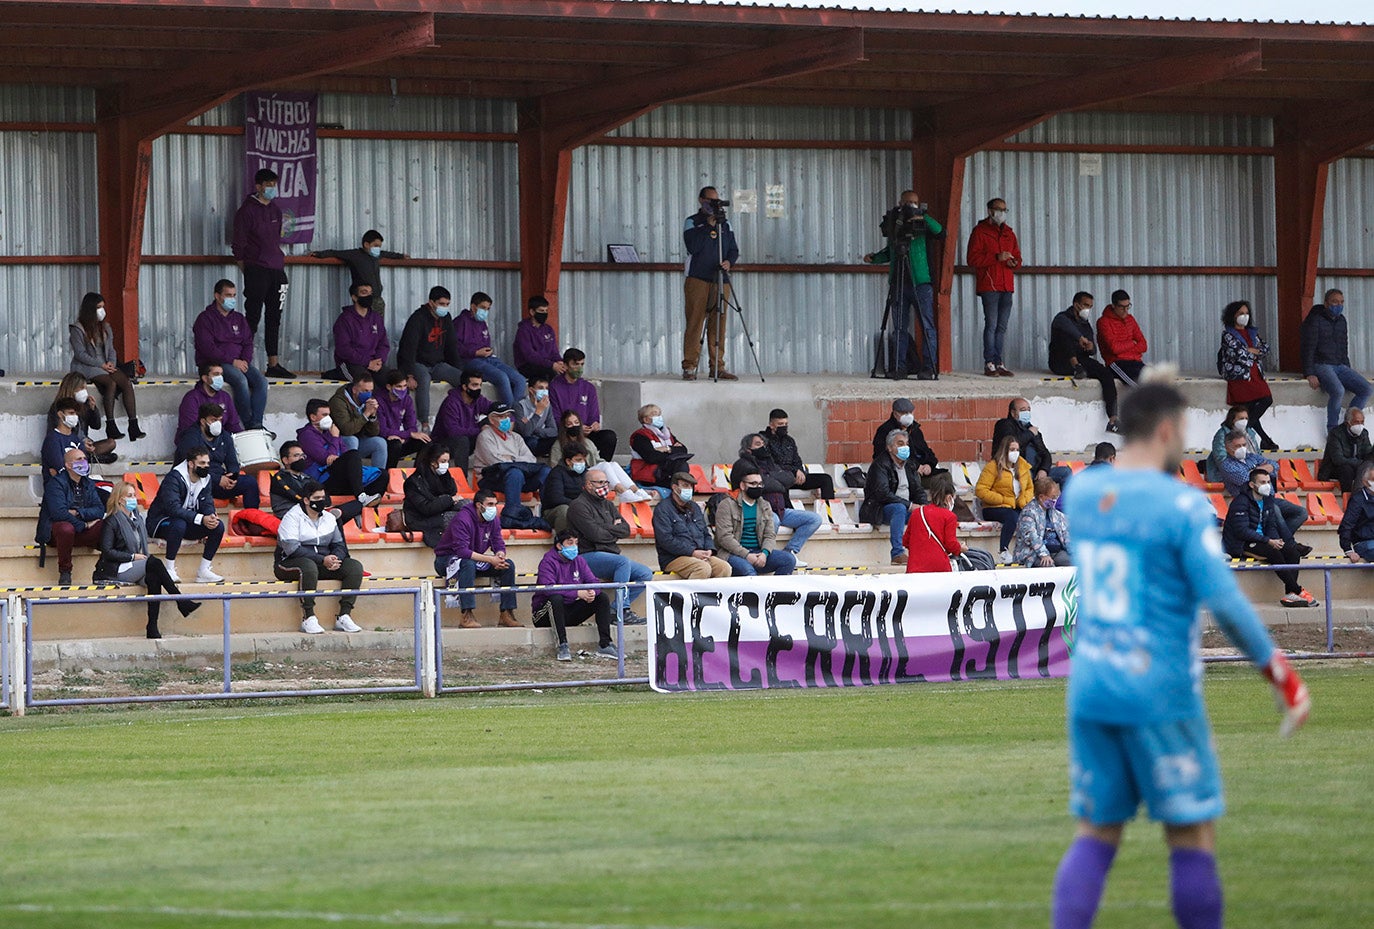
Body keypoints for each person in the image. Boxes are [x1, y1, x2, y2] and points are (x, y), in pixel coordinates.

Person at [1051, 378, 1310, 929]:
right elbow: (1225, 602)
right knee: (1190, 832)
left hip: (1094, 684)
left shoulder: (1082, 494)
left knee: (1097, 832)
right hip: (1159, 687)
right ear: (1167, 430)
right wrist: (1281, 674)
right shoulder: (1182, 507)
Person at [95, 480, 200, 638]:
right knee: (154, 562)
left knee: (154, 577)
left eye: (134, 495)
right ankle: (181, 601)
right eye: (129, 496)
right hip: (116, 568)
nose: (133, 499)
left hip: (134, 565)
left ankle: (152, 627)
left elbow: (141, 542)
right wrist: (132, 556)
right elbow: (107, 551)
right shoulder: (111, 522)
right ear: (120, 499)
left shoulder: (137, 520)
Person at [862, 190, 945, 379]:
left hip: (921, 282)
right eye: (907, 202)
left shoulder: (922, 223)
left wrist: (921, 215)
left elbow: (941, 231)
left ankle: (928, 367)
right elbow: (892, 250)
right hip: (899, 282)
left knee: (927, 326)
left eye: (914, 202)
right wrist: (874, 258)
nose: (910, 206)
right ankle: (899, 367)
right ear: (900, 202)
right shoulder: (896, 223)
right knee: (899, 327)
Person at [274, 481, 365, 635]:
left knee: (354, 567)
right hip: (287, 564)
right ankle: (308, 617)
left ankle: (344, 615)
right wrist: (322, 560)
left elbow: (339, 544)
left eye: (323, 497)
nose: (321, 501)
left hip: (322, 563)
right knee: (308, 566)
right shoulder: (292, 517)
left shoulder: (329, 518)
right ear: (306, 500)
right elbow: (292, 549)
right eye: (317, 498)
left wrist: (335, 559)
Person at [1222, 467, 1317, 608]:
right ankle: (1297, 589)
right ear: (1252, 485)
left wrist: (1275, 540)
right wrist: (1268, 541)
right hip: (1242, 543)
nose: (1266, 485)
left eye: (1268, 481)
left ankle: (1290, 595)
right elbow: (1241, 531)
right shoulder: (1240, 502)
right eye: (1262, 482)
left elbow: (1271, 525)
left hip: (1264, 540)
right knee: (1273, 552)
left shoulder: (1268, 501)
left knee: (1292, 551)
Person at [566, 469, 653, 623]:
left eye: (606, 482)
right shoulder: (578, 506)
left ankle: (614, 608)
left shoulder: (608, 504)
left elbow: (625, 530)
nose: (605, 485)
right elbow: (595, 535)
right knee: (622, 562)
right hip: (586, 556)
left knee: (645, 574)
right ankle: (622, 609)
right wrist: (612, 528)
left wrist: (604, 527)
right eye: (600, 482)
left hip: (610, 554)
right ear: (588, 485)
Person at [232, 167, 294, 378]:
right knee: (253, 316)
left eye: (274, 185)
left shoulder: (276, 210)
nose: (271, 189)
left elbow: (276, 239)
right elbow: (238, 244)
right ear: (258, 187)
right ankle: (243, 361)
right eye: (267, 185)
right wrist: (247, 268)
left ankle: (273, 364)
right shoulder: (246, 211)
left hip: (277, 270)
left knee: (274, 317)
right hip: (257, 269)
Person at [433, 489, 521, 630]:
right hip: (446, 559)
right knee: (467, 564)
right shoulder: (463, 519)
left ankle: (507, 613)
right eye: (490, 504)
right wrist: (490, 560)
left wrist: (499, 554)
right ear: (479, 505)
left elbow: (498, 542)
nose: (494, 508)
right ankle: (466, 614)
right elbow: (462, 551)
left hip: (473, 559)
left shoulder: (493, 520)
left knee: (508, 565)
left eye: (495, 504)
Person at [734, 433, 822, 566]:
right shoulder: (743, 464)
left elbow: (790, 479)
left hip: (781, 510)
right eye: (758, 444)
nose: (763, 447)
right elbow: (764, 483)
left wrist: (771, 478)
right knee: (772, 521)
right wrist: (777, 481)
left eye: (763, 444)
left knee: (814, 519)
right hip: (761, 510)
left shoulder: (771, 462)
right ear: (748, 449)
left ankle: (790, 551)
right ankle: (765, 554)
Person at [192, 279, 268, 430]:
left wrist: (245, 360)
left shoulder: (239, 318)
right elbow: (208, 348)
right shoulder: (205, 319)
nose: (231, 299)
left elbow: (248, 342)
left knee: (261, 382)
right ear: (217, 296)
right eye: (228, 295)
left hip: (240, 362)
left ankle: (257, 423)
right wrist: (232, 361)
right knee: (240, 381)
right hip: (216, 363)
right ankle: (249, 423)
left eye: (234, 295)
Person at [531, 529, 617, 661]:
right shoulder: (547, 561)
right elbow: (549, 589)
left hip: (569, 611)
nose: (574, 547)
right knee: (555, 598)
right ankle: (562, 645)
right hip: (543, 615)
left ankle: (605, 644)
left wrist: (592, 592)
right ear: (559, 546)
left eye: (576, 543)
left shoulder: (579, 561)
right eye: (570, 543)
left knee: (602, 598)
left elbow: (593, 581)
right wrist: (576, 593)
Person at [681, 185, 739, 380]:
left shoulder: (726, 224)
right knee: (695, 323)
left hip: (720, 279)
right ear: (701, 200)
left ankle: (717, 366)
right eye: (710, 201)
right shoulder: (692, 222)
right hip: (698, 278)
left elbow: (733, 249)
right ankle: (689, 366)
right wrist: (708, 225)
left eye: (716, 201)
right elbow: (693, 247)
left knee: (719, 323)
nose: (713, 205)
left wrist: (729, 262)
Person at [69, 291, 142, 441]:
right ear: (90, 309)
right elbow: (80, 354)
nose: (102, 311)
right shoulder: (78, 329)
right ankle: (110, 424)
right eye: (98, 307)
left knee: (126, 383)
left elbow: (111, 349)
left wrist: (111, 364)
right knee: (111, 382)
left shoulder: (106, 327)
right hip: (87, 365)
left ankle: (133, 424)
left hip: (105, 364)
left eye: (103, 307)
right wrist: (101, 365)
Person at [146, 448, 226, 584]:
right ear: (191, 464)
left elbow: (207, 501)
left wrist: (210, 515)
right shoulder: (174, 478)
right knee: (179, 524)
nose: (206, 466)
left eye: (207, 463)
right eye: (201, 463)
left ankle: (204, 571)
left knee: (218, 526)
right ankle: (170, 569)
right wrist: (201, 518)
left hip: (186, 522)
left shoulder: (206, 479)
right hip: (160, 522)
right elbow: (173, 509)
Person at [1301, 288, 1370, 432]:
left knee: (1366, 389)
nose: (1338, 305)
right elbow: (1308, 346)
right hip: (1321, 364)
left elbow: (1343, 345)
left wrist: (1347, 367)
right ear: (1326, 303)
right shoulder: (1315, 319)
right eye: (1334, 302)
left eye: (1341, 302)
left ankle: (1349, 423)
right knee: (1338, 390)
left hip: (1339, 365)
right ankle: (1333, 430)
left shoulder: (1342, 320)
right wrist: (1309, 372)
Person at [1049, 291, 1119, 433]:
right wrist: (1079, 337)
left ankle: (1113, 419)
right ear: (1076, 305)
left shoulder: (1085, 324)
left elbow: (1093, 351)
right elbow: (1066, 327)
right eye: (1085, 305)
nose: (1088, 309)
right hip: (1061, 362)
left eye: (1090, 306)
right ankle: (1076, 367)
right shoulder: (1062, 318)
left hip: (1082, 361)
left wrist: (1090, 347)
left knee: (1106, 375)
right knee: (1064, 334)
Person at [966, 196, 1021, 377]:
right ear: (990, 211)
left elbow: (1018, 258)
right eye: (999, 209)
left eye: (1005, 210)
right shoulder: (980, 232)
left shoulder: (1009, 233)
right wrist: (996, 258)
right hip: (989, 284)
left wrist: (1014, 263)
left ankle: (999, 362)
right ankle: (989, 362)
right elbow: (972, 259)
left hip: (1006, 285)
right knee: (991, 325)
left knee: (1002, 327)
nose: (1002, 213)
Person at [397, 286, 465, 429]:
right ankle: (424, 422)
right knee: (424, 379)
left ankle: (461, 415)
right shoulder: (418, 318)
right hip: (418, 363)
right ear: (431, 302)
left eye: (447, 304)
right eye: (441, 304)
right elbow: (408, 348)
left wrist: (458, 368)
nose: (445, 308)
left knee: (463, 379)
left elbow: (452, 347)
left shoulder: (446, 318)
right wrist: (408, 374)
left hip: (438, 364)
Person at [295, 399, 387, 505]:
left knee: (382, 474)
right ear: (313, 417)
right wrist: (335, 437)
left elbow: (343, 451)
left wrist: (337, 453)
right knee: (353, 454)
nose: (328, 418)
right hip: (323, 480)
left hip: (338, 475)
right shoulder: (307, 435)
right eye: (324, 415)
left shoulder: (329, 431)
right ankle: (361, 497)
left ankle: (369, 510)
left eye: (329, 414)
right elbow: (325, 459)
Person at [1215, 431, 1306, 537]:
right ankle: (1286, 544)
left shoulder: (1252, 457)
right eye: (1238, 446)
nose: (1242, 448)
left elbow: (1274, 465)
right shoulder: (1227, 465)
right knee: (1275, 512)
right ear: (1227, 447)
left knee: (1301, 513)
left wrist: (1256, 470)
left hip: (1270, 498)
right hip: (1250, 503)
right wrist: (1262, 470)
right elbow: (1247, 479)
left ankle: (1282, 542)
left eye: (1244, 445)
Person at [471, 402, 550, 525]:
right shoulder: (485, 436)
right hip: (491, 479)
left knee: (546, 471)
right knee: (515, 472)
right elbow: (496, 463)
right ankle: (512, 516)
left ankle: (547, 514)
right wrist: (518, 460)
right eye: (501, 416)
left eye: (507, 416)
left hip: (519, 478)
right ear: (491, 420)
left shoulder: (516, 437)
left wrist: (510, 458)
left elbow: (531, 459)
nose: (506, 419)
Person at [860, 429, 929, 564]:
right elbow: (883, 494)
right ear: (890, 448)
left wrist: (924, 506)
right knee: (899, 508)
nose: (905, 447)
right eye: (900, 443)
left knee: (924, 513)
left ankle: (922, 553)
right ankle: (897, 553)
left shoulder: (910, 465)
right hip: (879, 509)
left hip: (905, 509)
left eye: (906, 444)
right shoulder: (880, 465)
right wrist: (909, 505)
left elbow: (918, 490)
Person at [175, 403, 260, 510]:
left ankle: (251, 521)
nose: (217, 424)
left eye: (219, 420)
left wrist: (232, 478)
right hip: (195, 482)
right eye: (213, 420)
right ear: (202, 421)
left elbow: (233, 463)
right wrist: (217, 479)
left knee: (250, 482)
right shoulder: (190, 438)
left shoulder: (225, 436)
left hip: (220, 481)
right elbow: (190, 468)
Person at [714, 465, 796, 577]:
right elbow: (724, 538)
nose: (757, 487)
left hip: (759, 552)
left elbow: (770, 535)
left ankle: (776, 593)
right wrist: (747, 555)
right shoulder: (727, 505)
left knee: (788, 560)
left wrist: (764, 554)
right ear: (742, 485)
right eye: (753, 484)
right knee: (748, 571)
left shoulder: (765, 505)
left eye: (760, 484)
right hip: (733, 554)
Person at [39, 448, 105, 587]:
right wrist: (83, 525)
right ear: (68, 465)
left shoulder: (88, 483)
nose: (83, 462)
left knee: (109, 524)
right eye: (78, 459)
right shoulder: (56, 483)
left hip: (81, 532)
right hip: (59, 534)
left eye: (84, 459)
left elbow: (99, 510)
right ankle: (65, 572)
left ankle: (105, 568)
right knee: (65, 528)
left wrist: (78, 512)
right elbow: (59, 513)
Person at [550, 409, 647, 502]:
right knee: (605, 465)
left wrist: (607, 468)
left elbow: (598, 460)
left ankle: (636, 490)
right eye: (569, 424)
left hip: (589, 471)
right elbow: (555, 467)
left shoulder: (587, 442)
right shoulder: (558, 445)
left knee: (612, 464)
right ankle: (623, 492)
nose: (574, 426)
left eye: (576, 422)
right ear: (564, 427)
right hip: (572, 475)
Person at [1218, 299, 1277, 450]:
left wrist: (1251, 351)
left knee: (1260, 403)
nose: (1244, 316)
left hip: (1255, 374)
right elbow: (1237, 353)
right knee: (1254, 406)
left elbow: (1265, 349)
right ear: (1233, 316)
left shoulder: (1252, 333)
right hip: (1240, 377)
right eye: (1240, 313)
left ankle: (1241, 432)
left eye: (1246, 313)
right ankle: (1262, 438)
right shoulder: (1228, 334)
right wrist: (1252, 351)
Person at [451, 291, 526, 407]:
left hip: (488, 359)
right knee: (502, 378)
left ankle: (514, 413)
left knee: (520, 380)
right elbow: (454, 347)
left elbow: (486, 342)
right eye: (483, 308)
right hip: (470, 361)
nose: (485, 312)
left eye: (488, 309)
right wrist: (475, 352)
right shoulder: (460, 322)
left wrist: (488, 351)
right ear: (473, 307)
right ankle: (511, 416)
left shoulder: (482, 324)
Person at [653, 471, 732, 580]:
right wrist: (692, 552)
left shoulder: (694, 507)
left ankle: (714, 596)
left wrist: (709, 549)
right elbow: (666, 540)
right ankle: (694, 597)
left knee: (724, 567)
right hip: (673, 558)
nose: (689, 489)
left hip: (700, 554)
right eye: (685, 486)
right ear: (674, 487)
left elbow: (705, 533)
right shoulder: (662, 509)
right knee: (702, 568)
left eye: (691, 486)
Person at [311, 229, 406, 316]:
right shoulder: (354, 255)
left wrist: (401, 256)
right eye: (375, 246)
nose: (378, 249)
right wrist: (319, 254)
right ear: (366, 244)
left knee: (377, 327)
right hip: (363, 299)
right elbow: (335, 253)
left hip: (377, 298)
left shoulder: (376, 255)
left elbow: (388, 254)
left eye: (379, 247)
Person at [272, 441, 364, 527]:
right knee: (335, 522)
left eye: (303, 456)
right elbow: (298, 497)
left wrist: (320, 503)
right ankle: (330, 517)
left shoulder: (308, 478)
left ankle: (331, 517)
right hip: (293, 517)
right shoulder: (279, 478)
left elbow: (326, 498)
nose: (301, 458)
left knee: (357, 505)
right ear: (285, 460)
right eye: (296, 455)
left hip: (313, 513)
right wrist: (319, 503)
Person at [549, 348, 616, 460]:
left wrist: (594, 424)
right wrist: (576, 428)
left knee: (609, 437)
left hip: (586, 433)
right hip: (566, 433)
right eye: (575, 364)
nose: (579, 368)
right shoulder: (554, 386)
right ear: (565, 365)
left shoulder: (588, 387)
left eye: (582, 364)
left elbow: (594, 414)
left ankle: (602, 469)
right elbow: (555, 416)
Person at [975, 435, 1033, 560]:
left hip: (1016, 506)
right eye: (1012, 450)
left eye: (1017, 450)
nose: (1015, 453)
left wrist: (1023, 500)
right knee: (1012, 517)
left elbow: (1029, 488)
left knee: (1030, 517)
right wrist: (1003, 500)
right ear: (1004, 450)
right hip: (994, 508)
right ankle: (1003, 551)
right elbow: (981, 490)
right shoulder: (993, 466)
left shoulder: (1023, 467)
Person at [993, 398, 1072, 487]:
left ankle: (1066, 501)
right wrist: (1030, 433)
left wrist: (1043, 470)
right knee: (1026, 474)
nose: (1027, 412)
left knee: (1065, 472)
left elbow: (1045, 453)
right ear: (1013, 413)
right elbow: (1011, 444)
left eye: (1028, 410)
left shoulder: (1032, 429)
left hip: (1037, 473)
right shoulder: (1004, 425)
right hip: (1016, 471)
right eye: (1023, 410)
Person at [402, 443, 468, 548]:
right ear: (432, 462)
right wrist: (449, 500)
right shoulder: (413, 482)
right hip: (422, 519)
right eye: (443, 461)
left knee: (468, 506)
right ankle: (467, 549)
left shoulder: (443, 476)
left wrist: (450, 496)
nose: (446, 465)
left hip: (442, 511)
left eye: (447, 461)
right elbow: (426, 508)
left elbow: (452, 492)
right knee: (462, 517)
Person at [762, 408, 835, 500]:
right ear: (771, 425)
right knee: (782, 481)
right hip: (778, 478)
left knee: (825, 479)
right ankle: (787, 512)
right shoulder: (763, 440)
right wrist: (794, 471)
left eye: (786, 424)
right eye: (780, 424)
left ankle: (828, 510)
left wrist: (799, 472)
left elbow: (797, 460)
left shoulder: (789, 440)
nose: (784, 427)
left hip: (795, 477)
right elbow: (771, 465)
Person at [326, 282, 390, 383]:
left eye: (370, 293)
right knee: (366, 384)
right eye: (364, 293)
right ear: (355, 297)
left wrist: (379, 361)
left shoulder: (376, 318)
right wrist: (366, 362)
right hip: (350, 364)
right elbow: (343, 349)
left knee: (395, 381)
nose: (368, 296)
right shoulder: (344, 319)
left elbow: (383, 344)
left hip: (373, 364)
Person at [46, 373, 116, 466]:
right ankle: (88, 457)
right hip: (67, 446)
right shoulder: (58, 407)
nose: (84, 392)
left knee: (111, 443)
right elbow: (59, 435)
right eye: (81, 388)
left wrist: (93, 409)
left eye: (85, 388)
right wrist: (81, 444)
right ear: (72, 388)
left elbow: (96, 425)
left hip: (83, 445)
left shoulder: (84, 405)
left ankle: (87, 457)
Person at [904, 473, 967, 573]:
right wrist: (961, 548)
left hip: (915, 568)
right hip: (939, 567)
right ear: (949, 498)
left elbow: (906, 541)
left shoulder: (917, 513)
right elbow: (950, 545)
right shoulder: (949, 517)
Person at [431, 370, 491, 472]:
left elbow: (495, 409)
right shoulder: (451, 403)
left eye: (480, 385)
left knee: (494, 420)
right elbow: (453, 431)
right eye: (475, 385)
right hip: (444, 443)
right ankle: (463, 478)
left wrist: (507, 418)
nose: (479, 389)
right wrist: (479, 430)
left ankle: (494, 473)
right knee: (462, 441)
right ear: (465, 387)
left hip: (467, 438)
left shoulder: (478, 399)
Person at [328, 372, 389, 470]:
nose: (368, 394)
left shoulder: (368, 400)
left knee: (380, 442)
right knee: (352, 440)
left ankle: (378, 477)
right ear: (355, 390)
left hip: (359, 441)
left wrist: (372, 416)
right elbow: (347, 430)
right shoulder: (338, 401)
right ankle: (353, 476)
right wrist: (366, 415)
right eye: (365, 390)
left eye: (371, 390)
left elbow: (374, 433)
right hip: (339, 442)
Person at [629, 403, 692, 491]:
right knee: (680, 467)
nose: (659, 417)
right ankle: (682, 492)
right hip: (649, 475)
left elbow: (683, 450)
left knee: (682, 467)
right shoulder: (640, 436)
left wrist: (667, 449)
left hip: (666, 470)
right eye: (655, 414)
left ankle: (683, 492)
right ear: (646, 419)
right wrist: (673, 452)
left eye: (659, 414)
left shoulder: (666, 433)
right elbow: (651, 457)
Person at [870, 398, 938, 479]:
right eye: (904, 413)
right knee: (914, 478)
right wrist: (915, 466)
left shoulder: (915, 430)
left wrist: (929, 465)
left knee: (944, 478)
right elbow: (883, 456)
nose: (908, 416)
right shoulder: (885, 431)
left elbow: (925, 450)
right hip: (898, 473)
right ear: (895, 414)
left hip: (921, 470)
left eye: (910, 412)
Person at [376, 368, 430, 469]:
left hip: (401, 439)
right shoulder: (378, 401)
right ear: (389, 387)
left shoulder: (407, 400)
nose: (402, 390)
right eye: (398, 387)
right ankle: (389, 476)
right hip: (384, 442)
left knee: (425, 441)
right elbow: (382, 431)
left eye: (405, 386)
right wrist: (406, 434)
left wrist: (403, 437)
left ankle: (418, 476)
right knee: (395, 444)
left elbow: (412, 427)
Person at [1013, 475, 1072, 567]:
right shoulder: (1028, 513)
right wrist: (1044, 554)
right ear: (1041, 497)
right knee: (1048, 566)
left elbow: (1065, 534)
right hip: (1032, 554)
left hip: (1056, 552)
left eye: (1056, 496)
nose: (1055, 500)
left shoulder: (1056, 513)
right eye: (1052, 497)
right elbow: (1031, 537)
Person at [1097, 289, 1148, 386]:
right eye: (1122, 307)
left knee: (1155, 379)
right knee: (1138, 387)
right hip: (1117, 363)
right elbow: (1114, 348)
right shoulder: (1104, 322)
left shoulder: (1130, 319)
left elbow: (1143, 345)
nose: (1125, 310)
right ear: (1113, 306)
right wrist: (1132, 343)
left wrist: (1125, 347)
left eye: (1128, 306)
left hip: (1136, 361)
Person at [178, 363, 244, 436]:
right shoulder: (192, 398)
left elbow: (233, 425)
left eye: (221, 374)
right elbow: (190, 428)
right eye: (216, 374)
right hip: (196, 442)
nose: (220, 378)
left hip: (219, 441)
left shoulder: (225, 396)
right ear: (205, 378)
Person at [1318, 407, 1373, 492]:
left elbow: (1367, 452)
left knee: (1368, 466)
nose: (1360, 425)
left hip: (1357, 467)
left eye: (1362, 422)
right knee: (1346, 469)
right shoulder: (1335, 433)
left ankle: (1362, 497)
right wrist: (1360, 463)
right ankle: (1347, 497)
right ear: (1348, 423)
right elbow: (1338, 459)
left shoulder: (1364, 433)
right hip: (1334, 469)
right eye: (1357, 422)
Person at [540, 442, 589, 533]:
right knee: (564, 510)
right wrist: (578, 505)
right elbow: (556, 498)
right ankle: (564, 541)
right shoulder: (557, 473)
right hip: (554, 511)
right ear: (568, 461)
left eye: (583, 460)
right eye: (578, 460)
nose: (582, 463)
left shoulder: (586, 474)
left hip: (579, 509)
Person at [512, 295, 565, 380]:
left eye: (546, 311)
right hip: (527, 365)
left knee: (569, 372)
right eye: (541, 311)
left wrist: (560, 362)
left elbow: (554, 351)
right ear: (532, 312)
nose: (544, 313)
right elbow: (530, 355)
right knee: (549, 373)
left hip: (547, 364)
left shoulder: (548, 329)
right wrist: (551, 365)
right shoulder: (523, 330)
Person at [1205, 405, 1261, 483]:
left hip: (1251, 471)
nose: (1244, 421)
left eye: (1246, 418)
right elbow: (1221, 458)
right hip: (1228, 474)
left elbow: (1258, 453)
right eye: (1241, 418)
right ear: (1232, 420)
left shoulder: (1249, 434)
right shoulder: (1222, 434)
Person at [41, 398, 92, 479]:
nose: (75, 417)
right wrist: (77, 473)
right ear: (61, 415)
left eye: (76, 414)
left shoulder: (76, 439)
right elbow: (59, 468)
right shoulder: (52, 440)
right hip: (58, 488)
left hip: (79, 486)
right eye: (71, 413)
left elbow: (85, 467)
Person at [514, 375, 558, 459]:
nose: (545, 391)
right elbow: (525, 432)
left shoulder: (547, 405)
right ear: (531, 390)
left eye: (546, 388)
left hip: (541, 438)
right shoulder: (519, 405)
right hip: (524, 441)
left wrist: (535, 430)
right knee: (531, 442)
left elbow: (554, 430)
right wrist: (538, 411)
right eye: (541, 388)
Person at [1339, 461, 1374, 563]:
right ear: (1365, 482)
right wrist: (1348, 549)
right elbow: (1347, 524)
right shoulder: (1358, 500)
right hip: (1364, 543)